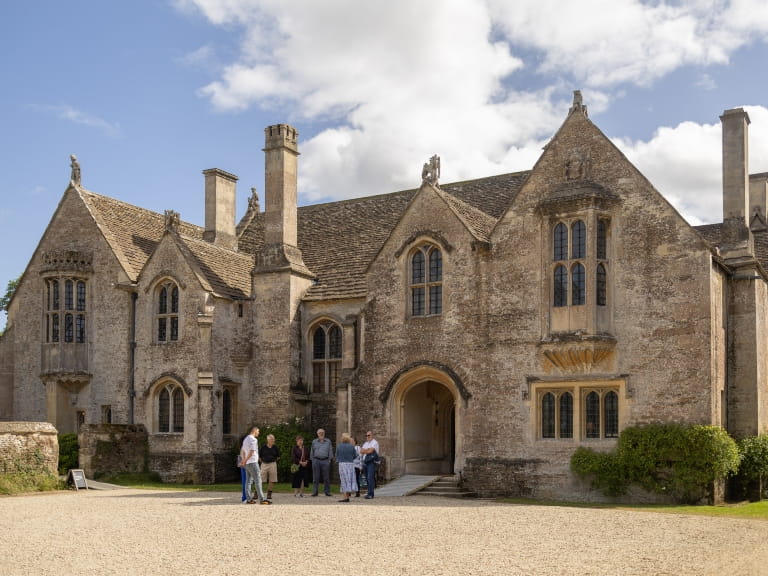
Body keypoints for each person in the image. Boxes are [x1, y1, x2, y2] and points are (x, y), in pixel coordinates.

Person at [242, 426, 270, 505]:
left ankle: (248, 499)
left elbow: (244, 451)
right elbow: (251, 452)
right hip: (253, 462)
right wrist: (245, 460)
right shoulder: (253, 439)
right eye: (258, 431)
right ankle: (262, 499)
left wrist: (244, 460)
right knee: (258, 481)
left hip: (247, 463)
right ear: (254, 431)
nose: (259, 433)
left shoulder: (245, 439)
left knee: (248, 482)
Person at [310, 428, 334, 497]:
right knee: (315, 477)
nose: (321, 434)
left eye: (322, 433)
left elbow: (330, 450)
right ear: (317, 434)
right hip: (316, 460)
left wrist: (329, 460)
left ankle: (327, 492)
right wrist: (313, 460)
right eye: (320, 433)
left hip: (325, 460)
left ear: (324, 433)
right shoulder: (314, 441)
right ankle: (315, 492)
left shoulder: (328, 441)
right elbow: (312, 451)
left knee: (326, 478)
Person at [336, 433, 358, 502]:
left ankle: (345, 497)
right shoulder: (351, 446)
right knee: (349, 480)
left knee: (344, 480)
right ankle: (347, 497)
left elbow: (337, 455)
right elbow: (355, 455)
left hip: (342, 464)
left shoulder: (339, 446)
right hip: (350, 464)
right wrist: (350, 458)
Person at [260, 434, 280, 502]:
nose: (273, 440)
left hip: (272, 464)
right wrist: (263, 462)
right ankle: (257, 493)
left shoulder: (275, 447)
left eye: (273, 439)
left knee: (272, 479)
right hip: (264, 464)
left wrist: (273, 461)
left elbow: (278, 456)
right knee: (261, 479)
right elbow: (259, 456)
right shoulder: (263, 447)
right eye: (272, 439)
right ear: (268, 440)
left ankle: (269, 494)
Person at [360, 430, 380, 499]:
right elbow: (361, 451)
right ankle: (369, 493)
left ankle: (371, 494)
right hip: (365, 462)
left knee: (370, 478)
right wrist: (367, 450)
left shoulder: (375, 442)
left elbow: (371, 451)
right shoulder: (366, 443)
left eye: (369, 435)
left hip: (371, 462)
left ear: (372, 435)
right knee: (367, 479)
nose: (367, 437)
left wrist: (367, 450)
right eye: (366, 435)